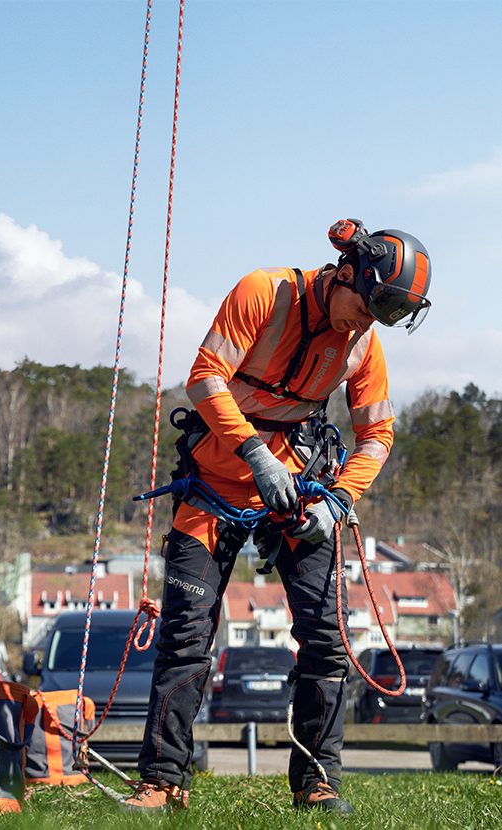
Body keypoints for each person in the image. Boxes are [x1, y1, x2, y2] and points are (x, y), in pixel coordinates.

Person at [125, 219, 432, 814]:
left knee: (326, 638)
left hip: (297, 493)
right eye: (368, 307)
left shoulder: (364, 343)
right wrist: (254, 453)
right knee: (186, 635)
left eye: (384, 316)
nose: (367, 323)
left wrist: (340, 499)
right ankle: (162, 783)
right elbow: (204, 378)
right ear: (346, 273)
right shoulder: (263, 292)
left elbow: (377, 434)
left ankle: (318, 783)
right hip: (213, 484)